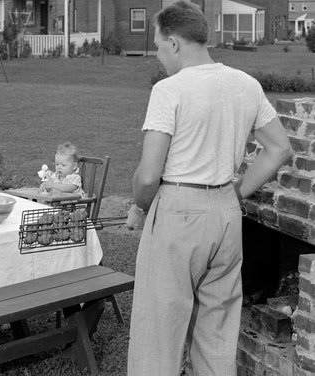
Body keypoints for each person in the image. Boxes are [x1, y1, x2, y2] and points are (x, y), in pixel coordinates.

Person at [125, 2, 293, 375]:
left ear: (173, 43)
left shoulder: (169, 90)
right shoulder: (245, 84)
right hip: (226, 214)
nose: (158, 55)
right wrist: (237, 192)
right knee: (217, 333)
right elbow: (279, 147)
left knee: (159, 334)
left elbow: (149, 176)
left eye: (157, 45)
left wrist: (139, 204)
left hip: (178, 212)